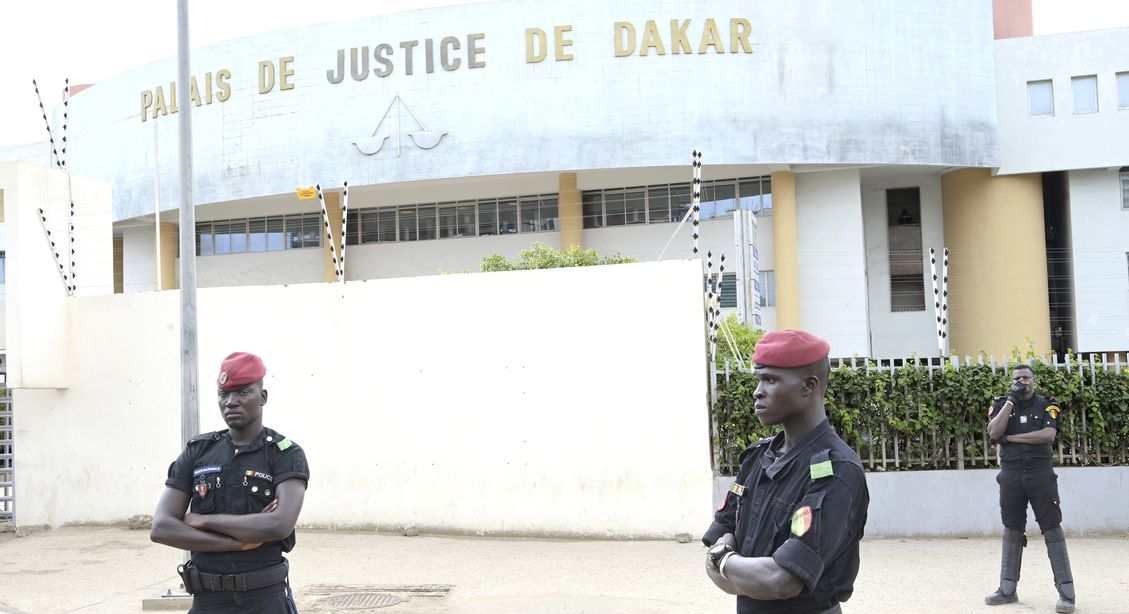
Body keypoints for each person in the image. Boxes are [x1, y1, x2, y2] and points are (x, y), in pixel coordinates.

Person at [702, 329, 869, 614]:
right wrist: (732, 563)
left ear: (809, 386)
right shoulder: (757, 458)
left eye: (770, 379)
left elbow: (782, 581)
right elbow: (723, 534)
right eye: (758, 380)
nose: (757, 391)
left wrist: (724, 561)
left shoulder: (836, 470)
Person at [151, 352, 309, 613]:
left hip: (265, 600)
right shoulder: (198, 451)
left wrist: (204, 520)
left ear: (263, 396)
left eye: (243, 392)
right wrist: (236, 543)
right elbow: (162, 527)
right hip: (208, 600)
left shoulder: (284, 454)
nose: (231, 402)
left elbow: (279, 524)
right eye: (224, 394)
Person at [985, 364, 1074, 613]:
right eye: (1017, 378)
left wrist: (1009, 439)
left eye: (1026, 377)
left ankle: (1067, 593)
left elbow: (1047, 435)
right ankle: (1007, 589)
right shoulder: (1003, 405)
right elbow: (993, 431)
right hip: (1011, 476)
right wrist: (1011, 401)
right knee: (1012, 529)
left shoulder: (1047, 405)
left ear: (1034, 381)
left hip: (1040, 475)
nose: (1022, 381)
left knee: (1052, 529)